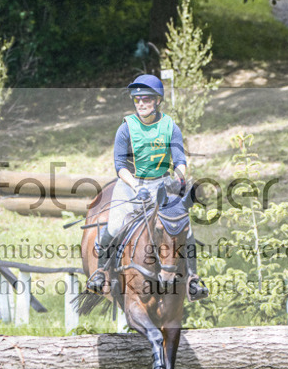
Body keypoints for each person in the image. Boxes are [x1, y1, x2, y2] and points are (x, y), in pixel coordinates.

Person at [86, 74, 209, 300]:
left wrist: (178, 177)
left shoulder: (170, 126)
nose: (141, 103)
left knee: (186, 229)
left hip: (163, 184)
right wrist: (135, 185)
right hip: (130, 184)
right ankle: (100, 272)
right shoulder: (126, 128)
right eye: (137, 100)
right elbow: (119, 166)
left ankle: (193, 279)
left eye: (146, 99)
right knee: (113, 227)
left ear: (157, 101)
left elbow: (180, 160)